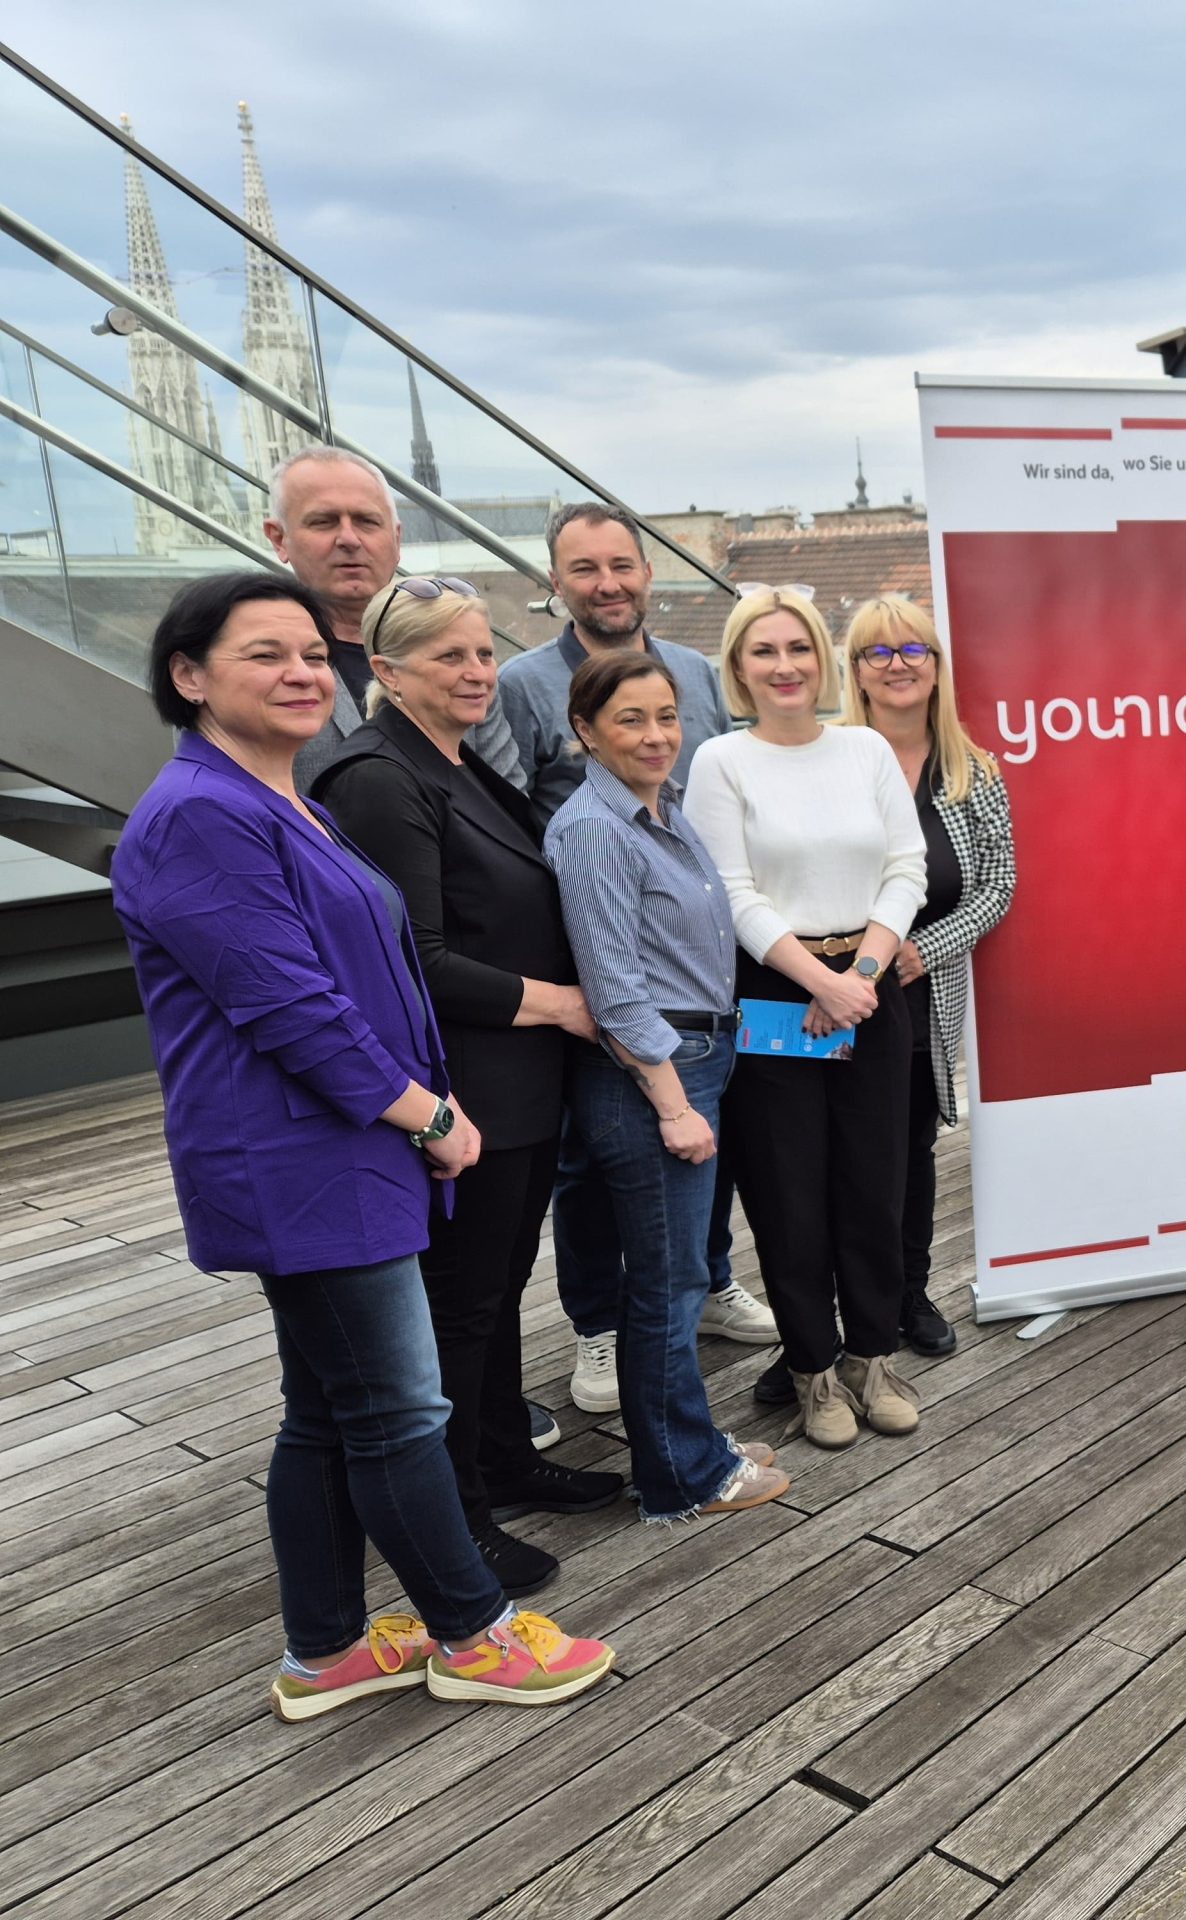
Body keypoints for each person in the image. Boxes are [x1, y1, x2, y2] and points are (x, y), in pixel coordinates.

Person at [113, 571, 610, 1718]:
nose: (299, 673)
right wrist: (426, 1111)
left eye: (308, 654)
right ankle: (473, 1636)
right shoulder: (198, 816)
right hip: (302, 1161)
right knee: (398, 1412)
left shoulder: (279, 797)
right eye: (263, 655)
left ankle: (326, 1650)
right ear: (189, 677)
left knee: (329, 1414)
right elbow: (290, 1007)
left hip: (340, 1149)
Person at [311, 578, 625, 1599]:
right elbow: (416, 957)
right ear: (388, 670)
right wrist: (561, 1004)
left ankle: (502, 1459)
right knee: (460, 1305)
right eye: (449, 655)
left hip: (518, 1084)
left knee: (495, 1291)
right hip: (466, 1086)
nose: (478, 671)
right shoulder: (377, 777)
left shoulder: (456, 760)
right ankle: (459, 1520)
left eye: (485, 651)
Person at [495, 503, 774, 1415]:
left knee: (695, 1175)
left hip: (694, 955)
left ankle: (711, 1280)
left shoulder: (694, 672)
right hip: (601, 961)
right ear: (555, 583)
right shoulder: (523, 685)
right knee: (592, 1169)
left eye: (622, 565)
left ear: (649, 573)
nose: (607, 584)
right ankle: (600, 1327)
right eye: (584, 569)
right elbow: (502, 818)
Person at [544, 651, 790, 1518]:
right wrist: (674, 1104)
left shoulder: (664, 809)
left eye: (667, 716)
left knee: (675, 1272)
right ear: (585, 730)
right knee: (669, 1281)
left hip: (697, 1054)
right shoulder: (595, 829)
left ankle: (688, 1442)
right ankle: (682, 1475)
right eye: (631, 720)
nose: (656, 736)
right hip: (653, 1072)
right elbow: (614, 989)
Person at [688, 589, 929, 1448]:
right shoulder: (721, 761)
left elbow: (907, 866)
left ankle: (871, 1356)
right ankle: (813, 1369)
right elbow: (731, 891)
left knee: (875, 1184)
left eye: (798, 648)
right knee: (788, 1193)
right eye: (764, 651)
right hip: (773, 991)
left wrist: (858, 976)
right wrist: (818, 983)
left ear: (822, 660)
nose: (784, 665)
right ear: (738, 668)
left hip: (869, 985)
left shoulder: (864, 748)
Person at [836, 595, 1017, 1360]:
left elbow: (999, 884)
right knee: (829, 1160)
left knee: (909, 1154)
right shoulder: (829, 762)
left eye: (914, 650)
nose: (898, 665)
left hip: (919, 999)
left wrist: (923, 950)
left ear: (938, 668)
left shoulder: (974, 773)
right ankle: (823, 1320)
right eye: (878, 652)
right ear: (856, 672)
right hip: (829, 997)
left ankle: (908, 1295)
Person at [263, 445, 520, 793]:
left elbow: (507, 795)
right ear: (279, 539)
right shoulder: (256, 666)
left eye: (367, 521)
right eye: (323, 522)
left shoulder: (465, 657)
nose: (349, 539)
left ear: (397, 539)